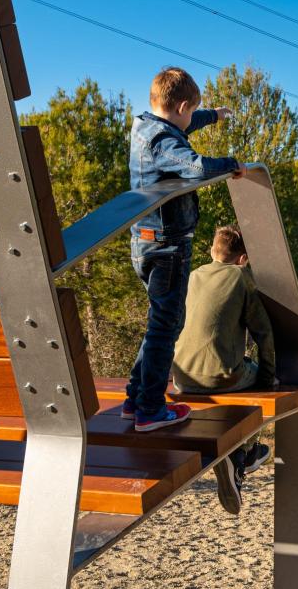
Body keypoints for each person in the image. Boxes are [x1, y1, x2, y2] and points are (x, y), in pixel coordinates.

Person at [122, 67, 245, 433]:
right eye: (192, 111)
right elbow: (196, 167)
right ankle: (150, 410)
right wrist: (231, 165)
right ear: (181, 106)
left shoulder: (148, 127)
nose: (192, 118)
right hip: (167, 248)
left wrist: (214, 115)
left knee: (160, 323)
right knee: (166, 327)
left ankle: (135, 399)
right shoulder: (163, 142)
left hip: (147, 242)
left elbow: (184, 125)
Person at [172, 224, 277, 513]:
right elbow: (264, 333)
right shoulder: (242, 277)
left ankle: (243, 453)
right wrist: (269, 378)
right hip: (222, 377)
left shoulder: (194, 275)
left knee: (241, 373)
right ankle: (243, 453)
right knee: (260, 382)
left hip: (181, 376)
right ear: (243, 259)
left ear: (211, 251)